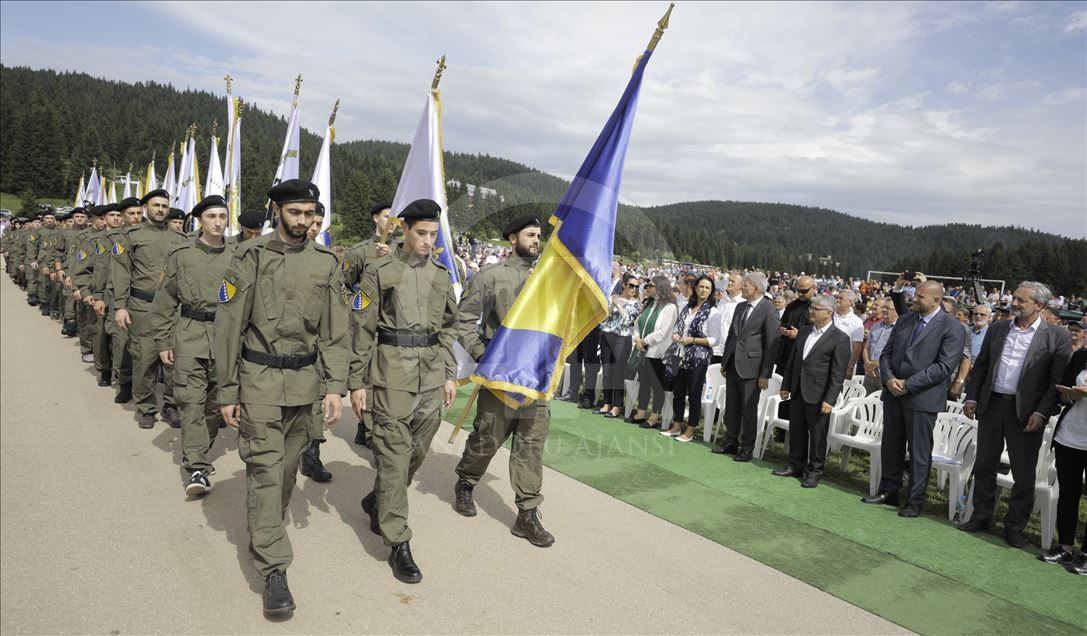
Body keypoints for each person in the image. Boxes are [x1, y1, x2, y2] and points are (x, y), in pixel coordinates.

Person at [214, 179, 347, 617]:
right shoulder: (249, 257)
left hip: (305, 386)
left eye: (310, 214)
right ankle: (274, 569)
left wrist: (333, 387)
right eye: (296, 213)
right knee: (267, 472)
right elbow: (229, 326)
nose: (304, 221)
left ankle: (266, 522)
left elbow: (334, 331)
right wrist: (228, 390)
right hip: (259, 382)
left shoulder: (326, 262)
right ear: (277, 211)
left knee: (287, 471)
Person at [348, 198, 458, 584]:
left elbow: (448, 329)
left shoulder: (443, 276)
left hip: (429, 373)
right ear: (405, 230)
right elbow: (361, 329)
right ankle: (398, 541)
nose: (428, 241)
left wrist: (449, 373)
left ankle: (378, 498)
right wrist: (358, 381)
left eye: (433, 234)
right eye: (422, 233)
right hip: (391, 369)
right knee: (394, 456)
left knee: (417, 450)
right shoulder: (380, 270)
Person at [452, 214, 557, 547]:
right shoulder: (491, 276)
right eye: (530, 235)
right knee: (486, 439)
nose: (536, 240)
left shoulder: (550, 279)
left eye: (540, 235)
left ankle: (526, 514)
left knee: (531, 445)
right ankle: (466, 481)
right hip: (500, 378)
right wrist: (482, 354)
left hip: (536, 379)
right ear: (512, 238)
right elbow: (464, 320)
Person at [960, 282, 1071, 547]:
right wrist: (972, 396)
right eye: (1016, 298)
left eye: (1022, 300)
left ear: (1040, 306)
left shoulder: (1057, 336)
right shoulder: (998, 328)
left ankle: (1014, 526)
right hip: (992, 405)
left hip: (1026, 413)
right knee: (985, 464)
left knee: (1022, 474)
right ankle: (981, 516)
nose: (1016, 303)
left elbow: (1055, 382)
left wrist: (1042, 412)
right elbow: (982, 366)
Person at [150, 195, 235, 496]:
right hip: (189, 334)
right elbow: (164, 301)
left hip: (226, 337)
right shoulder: (181, 254)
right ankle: (197, 467)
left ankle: (200, 449)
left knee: (214, 405)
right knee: (192, 402)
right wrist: (163, 341)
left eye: (222, 216)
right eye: (211, 216)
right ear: (200, 220)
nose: (218, 222)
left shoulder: (237, 256)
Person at [863, 280, 964, 517]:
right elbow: (886, 353)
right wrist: (889, 380)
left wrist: (909, 384)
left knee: (918, 453)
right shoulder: (906, 320)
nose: (913, 300)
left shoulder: (952, 328)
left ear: (936, 300)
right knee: (891, 446)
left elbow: (944, 366)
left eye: (920, 297)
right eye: (914, 295)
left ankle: (914, 500)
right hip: (893, 393)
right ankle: (889, 490)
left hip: (922, 397)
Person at [110, 190, 188, 429]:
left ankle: (170, 405)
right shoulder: (129, 236)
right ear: (146, 208)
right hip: (142, 306)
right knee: (145, 360)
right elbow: (121, 273)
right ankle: (145, 407)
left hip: (173, 309)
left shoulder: (181, 239)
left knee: (174, 361)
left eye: (165, 205)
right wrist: (120, 306)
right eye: (156, 205)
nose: (161, 209)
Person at [772, 294, 850, 487]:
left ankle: (814, 471)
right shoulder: (805, 332)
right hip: (798, 390)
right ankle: (795, 465)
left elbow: (838, 374)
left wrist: (830, 400)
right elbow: (794, 360)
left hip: (819, 394)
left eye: (816, 309)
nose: (811, 311)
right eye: (812, 308)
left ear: (829, 313)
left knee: (817, 435)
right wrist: (786, 385)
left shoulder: (840, 338)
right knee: (797, 430)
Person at [341, 202, 392, 447]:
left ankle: (366, 425)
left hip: (393, 326)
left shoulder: (404, 251)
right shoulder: (358, 251)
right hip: (367, 326)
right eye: (386, 216)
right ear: (375, 218)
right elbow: (344, 286)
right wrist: (357, 309)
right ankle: (371, 430)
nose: (392, 221)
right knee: (368, 379)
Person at [715, 271, 780, 460]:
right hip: (734, 364)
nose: (742, 288)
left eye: (745, 285)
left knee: (748, 410)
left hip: (752, 368)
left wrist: (765, 373)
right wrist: (725, 361)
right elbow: (731, 337)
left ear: (756, 289)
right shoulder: (741, 306)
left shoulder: (769, 309)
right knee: (732, 406)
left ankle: (747, 447)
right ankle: (730, 441)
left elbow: (772, 343)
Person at [1041, 332, 1086, 574]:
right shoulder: (1080, 357)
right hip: (1070, 435)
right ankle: (1065, 546)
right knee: (1068, 493)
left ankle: (1086, 554)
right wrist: (1069, 394)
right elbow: (1063, 394)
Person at [661, 275, 721, 442]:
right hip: (679, 354)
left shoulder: (713, 312)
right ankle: (676, 425)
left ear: (711, 291)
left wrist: (693, 340)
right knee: (677, 392)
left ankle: (690, 429)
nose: (703, 290)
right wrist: (675, 335)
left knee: (694, 395)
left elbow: (715, 339)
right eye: (701, 286)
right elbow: (678, 327)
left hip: (698, 358)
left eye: (707, 288)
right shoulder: (687, 306)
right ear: (695, 288)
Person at [626, 275, 678, 429]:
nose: (647, 288)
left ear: (660, 288)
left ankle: (654, 416)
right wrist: (637, 339)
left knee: (657, 386)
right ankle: (641, 413)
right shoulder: (648, 304)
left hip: (657, 353)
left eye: (651, 286)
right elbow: (636, 324)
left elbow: (662, 332)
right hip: (642, 350)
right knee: (644, 383)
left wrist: (644, 341)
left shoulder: (670, 307)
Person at [595, 273, 641, 418]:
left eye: (637, 287)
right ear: (624, 285)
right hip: (607, 336)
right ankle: (606, 403)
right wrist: (612, 305)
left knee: (617, 373)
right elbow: (605, 317)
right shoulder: (613, 298)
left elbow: (628, 321)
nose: (634, 289)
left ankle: (616, 406)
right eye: (631, 286)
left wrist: (619, 306)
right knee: (607, 372)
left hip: (623, 338)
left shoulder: (636, 304)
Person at [775, 275, 816, 375]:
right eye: (798, 291)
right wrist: (782, 330)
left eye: (804, 291)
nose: (801, 294)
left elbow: (821, 333)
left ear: (814, 288)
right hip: (786, 354)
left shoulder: (819, 307)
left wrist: (799, 335)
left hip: (804, 356)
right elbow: (782, 324)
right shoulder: (792, 306)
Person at [861, 298, 898, 394]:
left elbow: (896, 354)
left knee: (880, 406)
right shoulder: (875, 327)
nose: (884, 310)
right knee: (864, 405)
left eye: (888, 308)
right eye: (884, 307)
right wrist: (868, 365)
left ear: (896, 311)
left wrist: (874, 365)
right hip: (870, 374)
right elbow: (866, 348)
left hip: (886, 375)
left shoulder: (899, 330)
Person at [832, 289, 865, 377]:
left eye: (841, 298)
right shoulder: (829, 316)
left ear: (850, 302)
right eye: (837, 297)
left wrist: (850, 368)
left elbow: (857, 347)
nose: (837, 300)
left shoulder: (856, 321)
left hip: (842, 363)